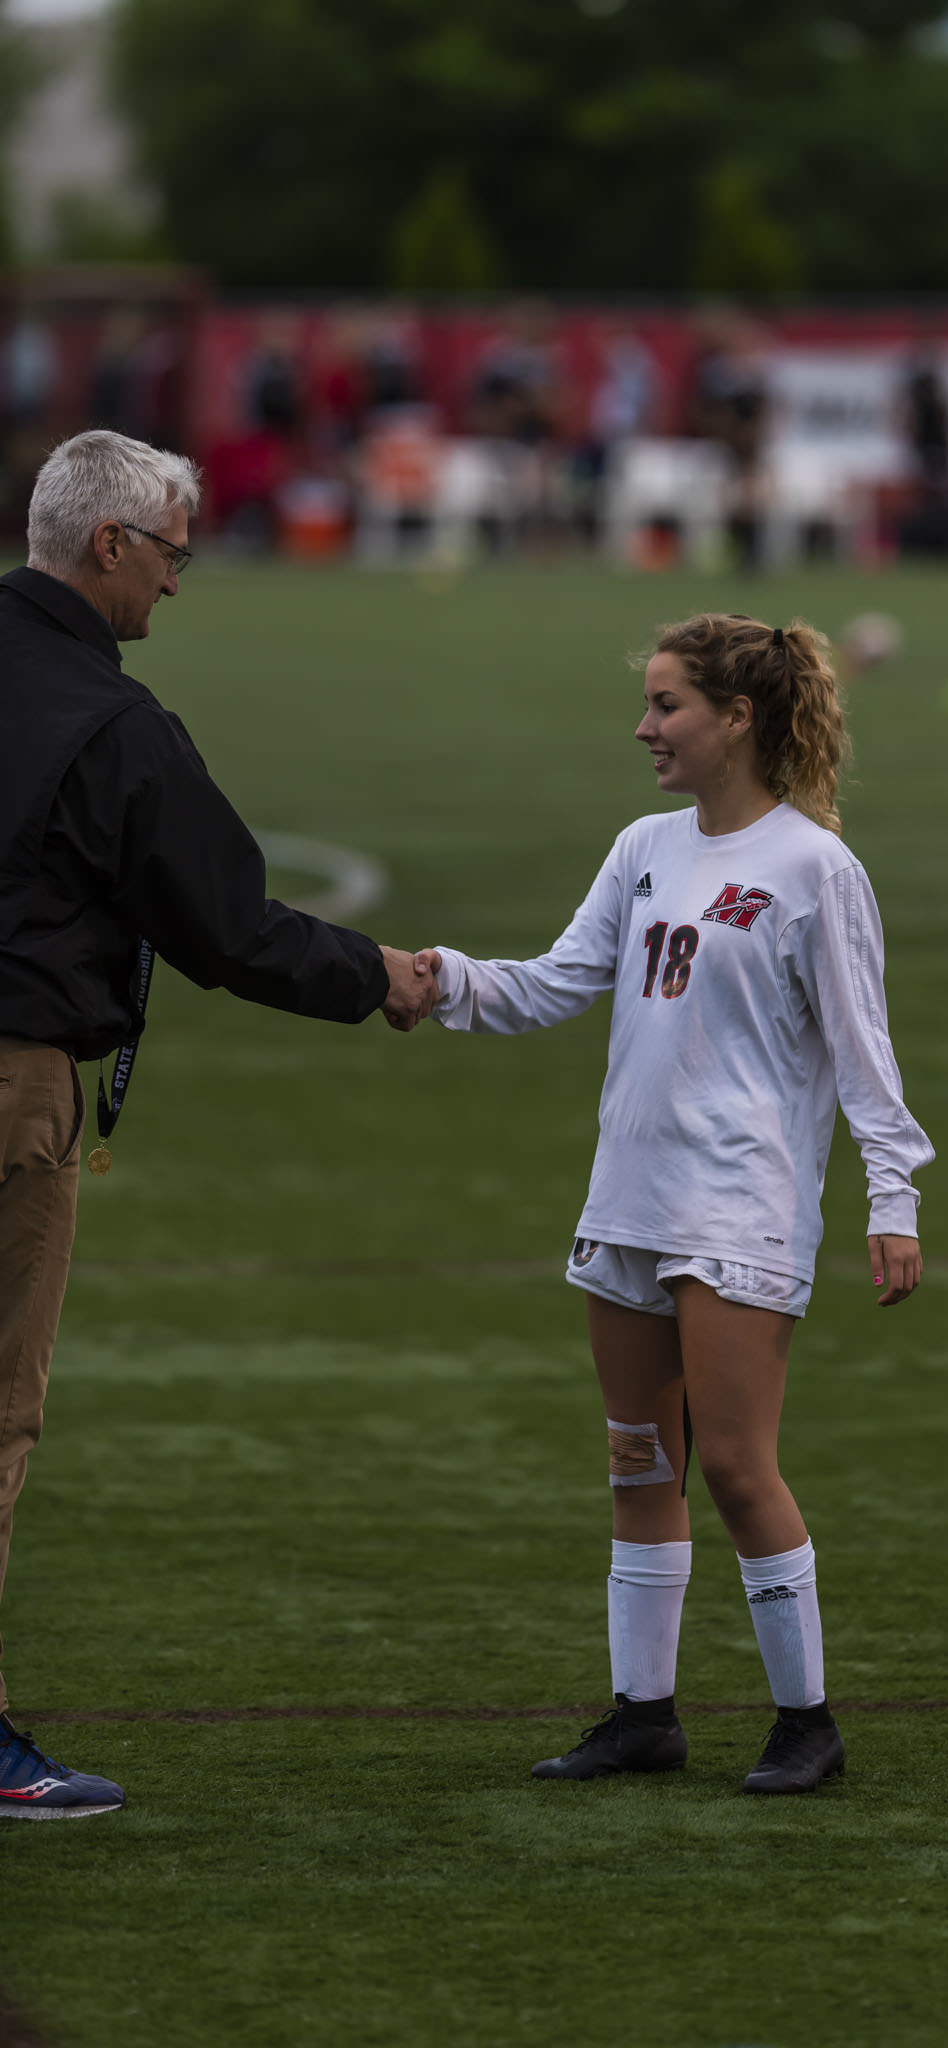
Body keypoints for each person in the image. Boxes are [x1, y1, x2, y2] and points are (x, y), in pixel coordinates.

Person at [416, 611, 932, 1794]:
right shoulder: (643, 843)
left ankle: (806, 1722)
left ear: (736, 718)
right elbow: (555, 983)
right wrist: (436, 979)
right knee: (637, 1460)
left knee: (739, 1466)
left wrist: (889, 1198)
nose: (643, 726)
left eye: (665, 705)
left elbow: (864, 1055)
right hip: (629, 1194)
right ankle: (640, 1716)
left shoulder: (815, 867)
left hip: (738, 1202)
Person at [0, 429, 435, 1819]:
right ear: (110, 546)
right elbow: (230, 929)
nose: (179, 586)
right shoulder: (113, 724)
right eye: (175, 554)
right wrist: (379, 977)